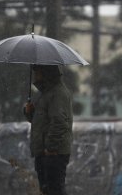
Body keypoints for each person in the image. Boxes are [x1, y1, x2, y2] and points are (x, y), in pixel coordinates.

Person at [24, 64, 73, 195]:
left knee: (54, 190)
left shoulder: (57, 93)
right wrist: (29, 113)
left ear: (46, 72)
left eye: (37, 72)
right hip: (44, 152)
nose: (35, 76)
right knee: (46, 190)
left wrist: (50, 148)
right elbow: (42, 122)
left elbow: (59, 122)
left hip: (53, 153)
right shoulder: (46, 93)